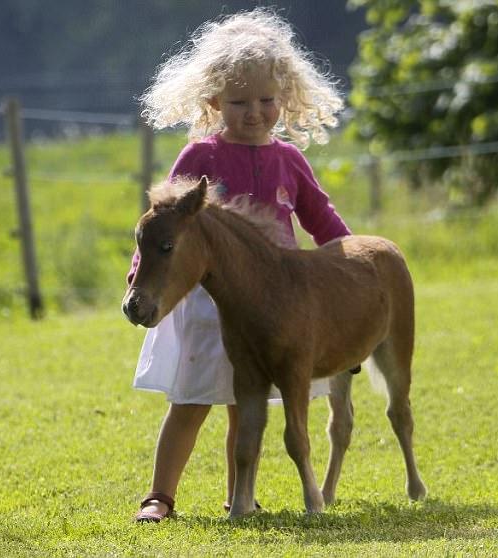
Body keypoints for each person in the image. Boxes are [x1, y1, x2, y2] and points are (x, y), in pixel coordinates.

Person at [127, 8, 352, 522]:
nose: (255, 112)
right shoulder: (199, 157)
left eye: (267, 100)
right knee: (189, 402)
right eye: (239, 101)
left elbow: (323, 219)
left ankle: (240, 495)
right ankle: (160, 496)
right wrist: (142, 266)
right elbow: (163, 224)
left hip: (276, 307)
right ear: (213, 102)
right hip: (205, 303)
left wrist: (350, 268)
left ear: (285, 98)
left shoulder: (290, 161)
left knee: (244, 405)